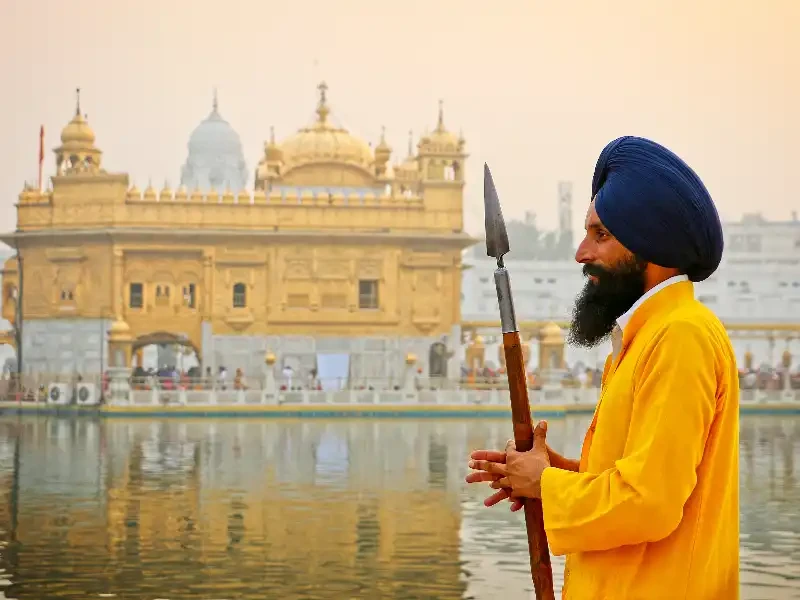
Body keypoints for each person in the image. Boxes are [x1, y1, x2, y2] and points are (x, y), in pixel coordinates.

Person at [467, 136, 739, 599]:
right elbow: (637, 481)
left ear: (649, 245)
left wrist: (547, 486)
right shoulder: (646, 337)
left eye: (601, 235)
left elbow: (649, 505)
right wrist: (552, 475)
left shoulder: (680, 337)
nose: (580, 253)